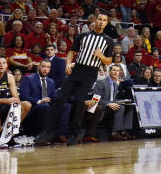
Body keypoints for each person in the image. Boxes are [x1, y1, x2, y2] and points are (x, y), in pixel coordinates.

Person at [35, 13, 115, 145]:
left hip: (91, 73)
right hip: (77, 69)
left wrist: (101, 56)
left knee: (79, 100)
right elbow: (72, 51)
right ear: (95, 21)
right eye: (99, 19)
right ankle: (47, 131)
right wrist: (67, 64)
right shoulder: (83, 36)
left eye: (104, 20)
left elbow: (109, 61)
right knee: (60, 99)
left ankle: (75, 132)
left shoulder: (108, 40)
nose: (101, 22)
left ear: (107, 23)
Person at [0, 55, 32, 144]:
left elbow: (16, 98)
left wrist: (14, 101)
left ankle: (9, 136)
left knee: (27, 104)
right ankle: (0, 136)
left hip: (5, 107)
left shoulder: (10, 77)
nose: (1, 65)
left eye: (4, 63)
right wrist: (5, 100)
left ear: (6, 65)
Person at [19, 59, 68, 139]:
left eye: (48, 67)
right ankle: (42, 135)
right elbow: (23, 96)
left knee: (66, 106)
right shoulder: (28, 78)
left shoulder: (51, 81)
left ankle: (60, 134)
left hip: (47, 106)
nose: (45, 69)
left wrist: (62, 100)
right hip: (34, 107)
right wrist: (39, 101)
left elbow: (54, 97)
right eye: (43, 66)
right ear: (39, 67)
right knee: (45, 106)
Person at [83, 65, 134, 142]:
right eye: (113, 70)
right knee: (120, 108)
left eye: (117, 71)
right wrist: (108, 104)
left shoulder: (115, 84)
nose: (115, 72)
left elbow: (112, 99)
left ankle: (124, 131)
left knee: (129, 106)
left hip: (109, 107)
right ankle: (114, 133)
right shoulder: (101, 83)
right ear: (109, 72)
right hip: (100, 107)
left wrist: (123, 101)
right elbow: (95, 99)